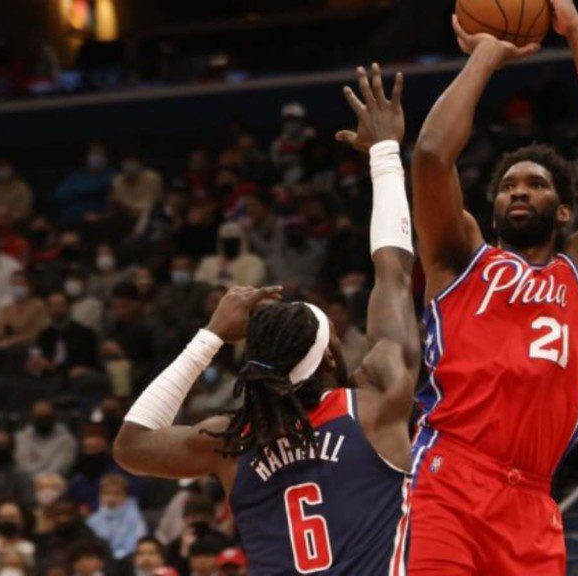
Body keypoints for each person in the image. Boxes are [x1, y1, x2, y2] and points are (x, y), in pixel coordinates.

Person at [115, 67, 420, 575]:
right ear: (328, 353)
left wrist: (209, 336)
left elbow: (131, 443)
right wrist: (385, 155)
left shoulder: (230, 442)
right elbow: (393, 274)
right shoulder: (376, 406)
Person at [409, 2, 578, 570]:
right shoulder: (460, 259)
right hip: (448, 480)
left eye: (535, 183)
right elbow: (432, 157)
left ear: (563, 211)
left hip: (533, 501)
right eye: (508, 185)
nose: (518, 191)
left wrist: (577, 31)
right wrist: (486, 55)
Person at [26, 292, 99, 378]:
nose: (57, 309)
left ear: (68, 307)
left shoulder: (85, 334)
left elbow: (91, 363)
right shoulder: (43, 335)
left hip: (77, 379)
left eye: (61, 305)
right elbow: (37, 358)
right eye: (53, 305)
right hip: (50, 378)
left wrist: (84, 370)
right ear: (48, 309)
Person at [164, 495, 231, 575]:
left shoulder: (222, 541)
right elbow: (172, 572)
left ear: (211, 518)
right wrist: (184, 552)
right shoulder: (175, 545)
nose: (198, 522)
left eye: (203, 517)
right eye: (193, 517)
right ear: (184, 519)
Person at [86, 474, 147, 561]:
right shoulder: (92, 520)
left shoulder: (135, 518)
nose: (111, 498)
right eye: (106, 493)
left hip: (126, 563)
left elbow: (135, 545)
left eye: (116, 494)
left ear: (125, 496)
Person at [52, 142, 115, 226]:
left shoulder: (111, 175)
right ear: (87, 156)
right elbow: (59, 195)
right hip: (73, 216)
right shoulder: (76, 175)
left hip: (99, 218)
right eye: (93, 153)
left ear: (106, 158)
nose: (96, 157)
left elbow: (99, 189)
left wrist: (76, 192)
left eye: (100, 154)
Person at [0, 271, 49, 349]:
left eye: (21, 284)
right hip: (0, 351)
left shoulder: (38, 306)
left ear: (30, 286)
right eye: (14, 284)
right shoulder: (3, 310)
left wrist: (11, 342)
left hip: (26, 350)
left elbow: (36, 333)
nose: (17, 287)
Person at [194, 222, 267, 289]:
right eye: (226, 241)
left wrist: (225, 288)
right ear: (220, 242)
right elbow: (199, 284)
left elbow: (250, 287)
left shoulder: (253, 262)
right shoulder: (208, 262)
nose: (230, 244)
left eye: (233, 241)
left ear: (241, 241)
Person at [14, 400, 78, 476]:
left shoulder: (67, 440)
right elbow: (19, 464)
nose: (42, 420)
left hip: (52, 482)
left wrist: (40, 478)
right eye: (39, 416)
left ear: (53, 417)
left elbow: (60, 467)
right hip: (24, 481)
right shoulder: (20, 438)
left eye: (46, 416)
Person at [111, 153, 164, 220]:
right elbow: (117, 205)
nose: (129, 165)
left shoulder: (152, 178)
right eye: (127, 162)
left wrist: (124, 205)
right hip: (124, 218)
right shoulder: (117, 180)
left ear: (141, 164)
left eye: (132, 162)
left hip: (149, 217)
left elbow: (147, 207)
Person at [324, 294, 368, 368]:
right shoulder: (323, 343)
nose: (337, 319)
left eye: (340, 313)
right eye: (332, 314)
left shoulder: (363, 342)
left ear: (348, 314)